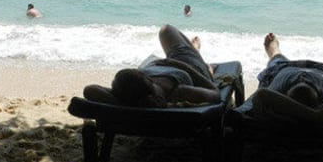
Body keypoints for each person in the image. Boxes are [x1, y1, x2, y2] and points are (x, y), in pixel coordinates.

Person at [83, 24, 221, 107]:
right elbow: (215, 94)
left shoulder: (126, 96)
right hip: (188, 65)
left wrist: (119, 100)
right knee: (166, 29)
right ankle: (198, 54)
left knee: (167, 34)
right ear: (148, 79)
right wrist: (179, 65)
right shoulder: (177, 92)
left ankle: (194, 51)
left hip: (169, 63)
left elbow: (89, 90)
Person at [247, 33, 323, 120]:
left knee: (276, 60)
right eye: (308, 88)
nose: (303, 83)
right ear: (318, 100)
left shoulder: (276, 93)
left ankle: (274, 52)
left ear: (286, 97)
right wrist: (315, 114)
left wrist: (299, 111)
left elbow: (260, 95)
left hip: (283, 69)